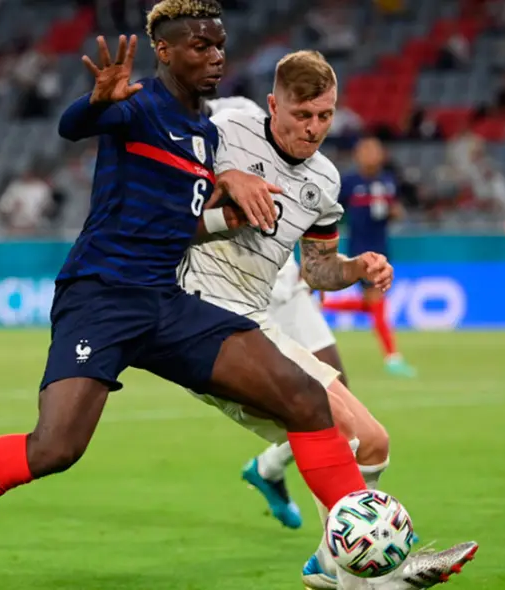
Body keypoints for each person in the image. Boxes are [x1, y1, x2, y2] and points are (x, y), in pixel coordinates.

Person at [0, 3, 382, 588]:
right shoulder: (137, 105)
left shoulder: (206, 132)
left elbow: (183, 221)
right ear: (166, 52)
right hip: (101, 294)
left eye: (221, 45)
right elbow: (72, 126)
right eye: (201, 46)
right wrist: (100, 102)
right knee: (55, 448)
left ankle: (359, 566)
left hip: (166, 300)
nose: (217, 56)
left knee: (305, 396)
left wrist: (229, 188)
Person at [192, 53, 477, 590]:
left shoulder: (324, 179)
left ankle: (331, 566)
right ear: (273, 105)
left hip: (261, 320)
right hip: (200, 319)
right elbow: (166, 196)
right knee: (338, 430)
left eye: (325, 115)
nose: (315, 127)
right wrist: (225, 178)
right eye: (303, 114)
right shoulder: (226, 130)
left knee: (373, 441)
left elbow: (317, 268)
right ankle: (366, 577)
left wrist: (356, 267)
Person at [321, 137, 417, 377]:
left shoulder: (388, 181)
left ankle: (321, 305)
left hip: (383, 248)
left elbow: (394, 212)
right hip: (361, 250)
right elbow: (331, 210)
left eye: (375, 150)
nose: (371, 155)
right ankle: (392, 357)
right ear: (357, 155)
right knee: (377, 301)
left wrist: (395, 212)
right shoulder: (350, 183)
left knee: (374, 304)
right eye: (366, 150)